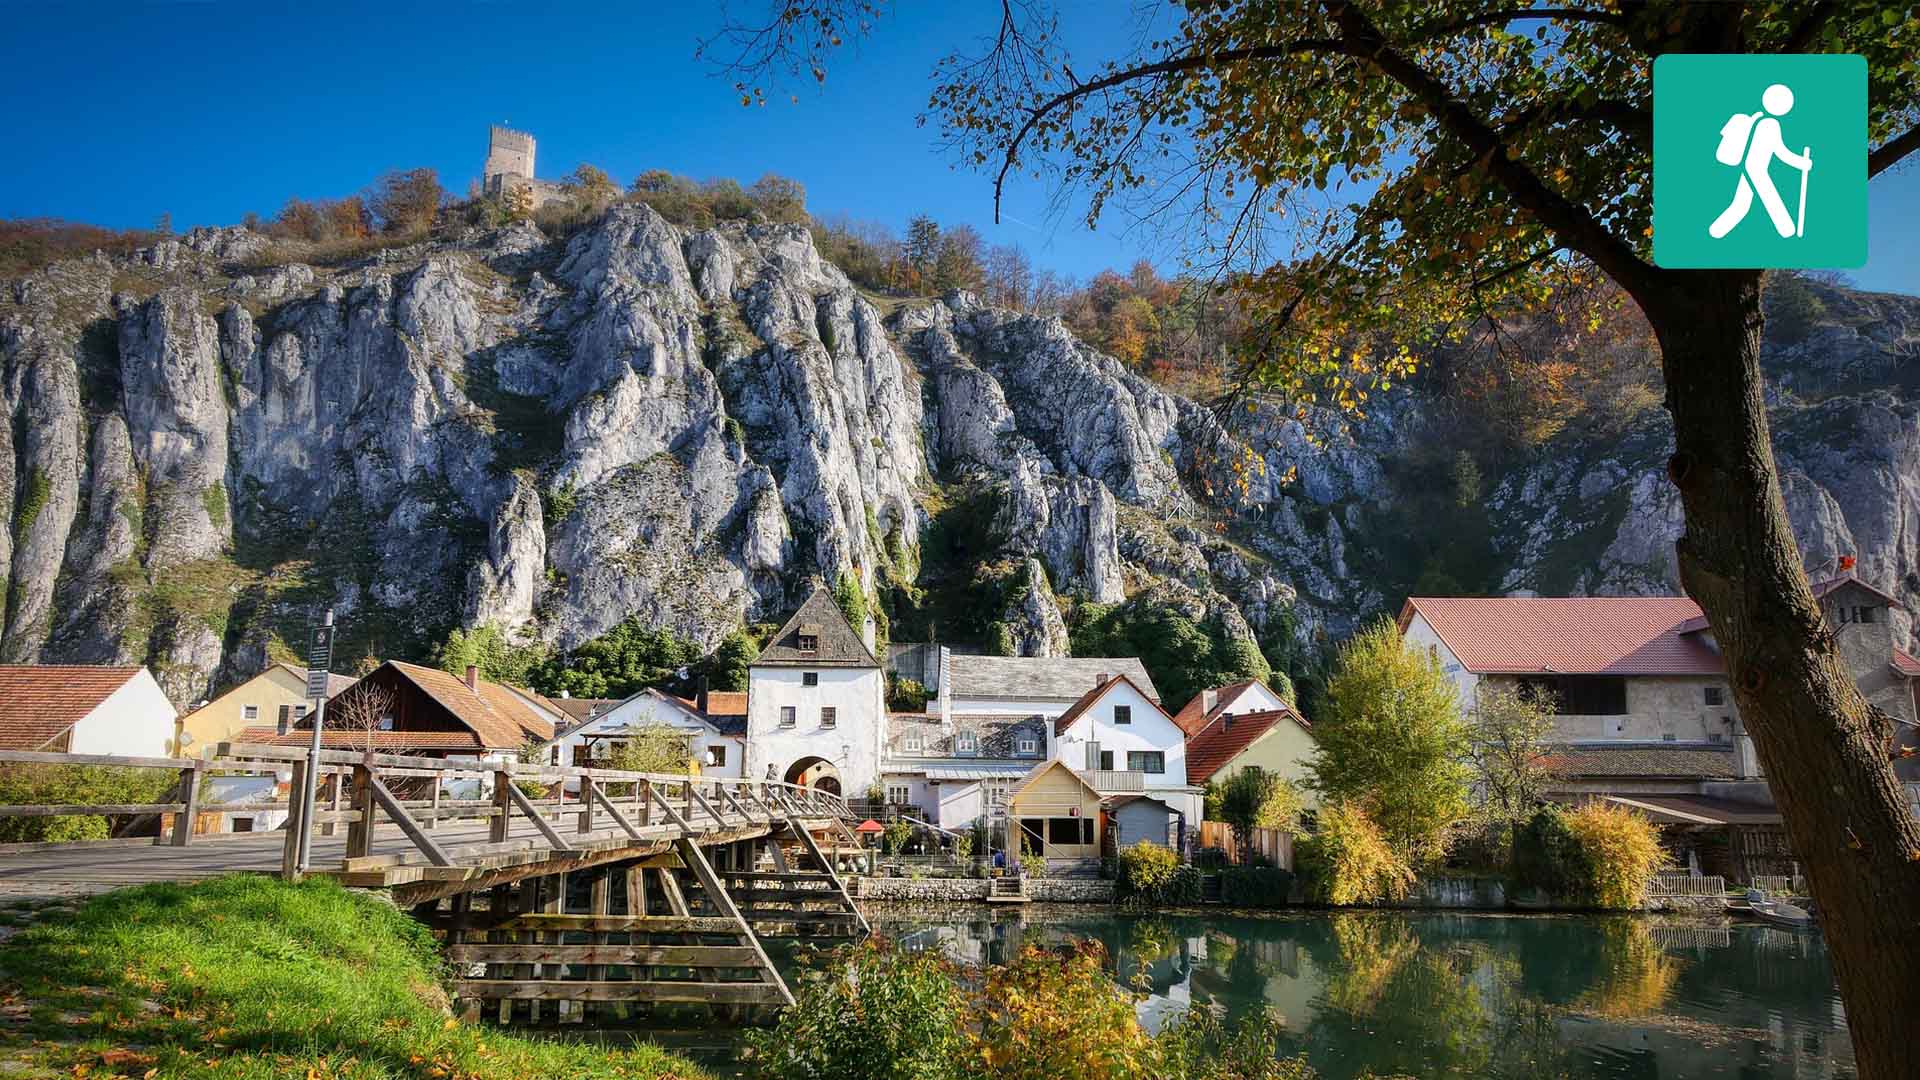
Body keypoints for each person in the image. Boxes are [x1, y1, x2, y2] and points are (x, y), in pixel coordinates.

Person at [1710, 83, 1812, 239]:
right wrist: (1802, 163)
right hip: (1755, 169)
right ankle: (1787, 230)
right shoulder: (1770, 124)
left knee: (1741, 204)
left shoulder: (1754, 118)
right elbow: (1781, 152)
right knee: (1767, 199)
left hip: (1747, 166)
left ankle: (1716, 231)